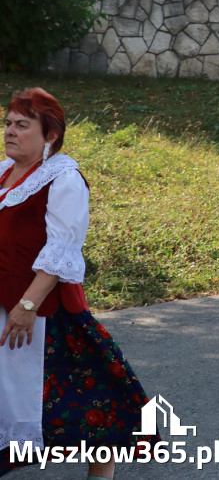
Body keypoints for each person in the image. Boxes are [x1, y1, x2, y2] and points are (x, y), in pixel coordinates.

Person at [1, 88, 155, 479]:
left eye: (22, 125)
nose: (10, 132)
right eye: (8, 124)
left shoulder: (64, 179)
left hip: (44, 313)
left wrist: (27, 307)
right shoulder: (3, 172)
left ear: (49, 135)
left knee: (89, 405)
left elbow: (61, 250)